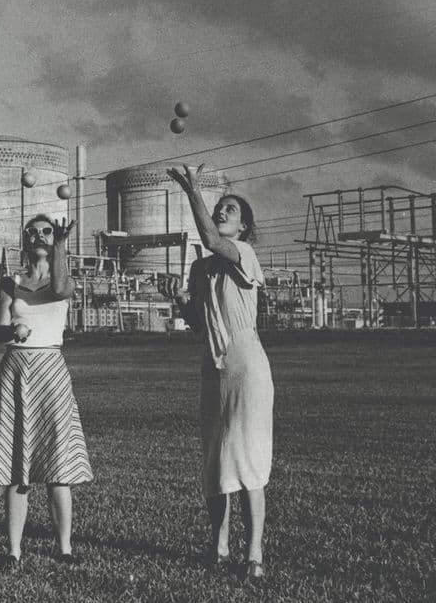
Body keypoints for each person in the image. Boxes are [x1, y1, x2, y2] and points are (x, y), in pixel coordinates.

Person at [166, 164, 274, 580]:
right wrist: (180, 303)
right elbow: (200, 324)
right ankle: (219, 546)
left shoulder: (243, 253)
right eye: (219, 206)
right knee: (215, 461)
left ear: (243, 226)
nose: (222, 211)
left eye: (229, 209)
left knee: (247, 459)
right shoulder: (201, 268)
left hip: (247, 364)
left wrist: (193, 190)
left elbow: (209, 236)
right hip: (213, 366)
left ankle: (255, 554)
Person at [0, 214, 93, 567]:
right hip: (16, 368)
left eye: (46, 231)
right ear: (24, 241)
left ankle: (65, 548)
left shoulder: (65, 279)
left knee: (58, 463)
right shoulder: (11, 282)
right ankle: (14, 550)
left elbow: (58, 289)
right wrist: (13, 328)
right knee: (17, 465)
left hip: (50, 368)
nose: (39, 236)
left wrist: (59, 246)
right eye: (33, 232)